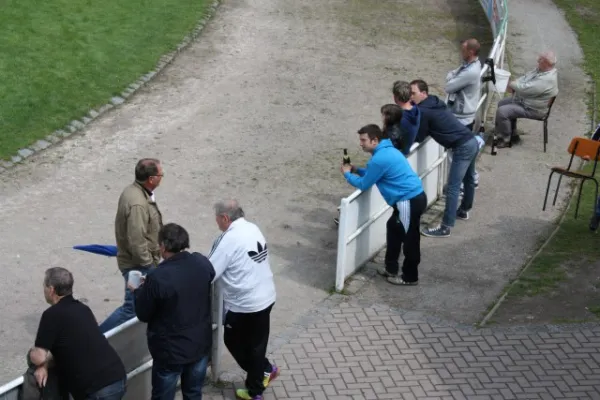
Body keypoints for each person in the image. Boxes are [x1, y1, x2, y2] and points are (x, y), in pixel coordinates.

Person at [132, 223, 215, 400]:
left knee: (163, 396)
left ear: (163, 246)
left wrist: (138, 291)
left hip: (170, 352)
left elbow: (143, 313)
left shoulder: (158, 277)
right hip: (199, 345)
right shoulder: (200, 262)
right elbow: (209, 274)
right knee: (193, 393)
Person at [208, 200, 279, 400]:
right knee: (256, 344)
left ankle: (257, 386)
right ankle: (262, 374)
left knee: (233, 340)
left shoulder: (228, 239)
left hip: (245, 304)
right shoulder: (252, 228)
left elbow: (210, 271)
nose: (216, 222)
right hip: (266, 296)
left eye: (216, 218)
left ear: (225, 218)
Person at [341, 124, 427, 285]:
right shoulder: (388, 151)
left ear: (374, 140)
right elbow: (376, 175)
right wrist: (357, 169)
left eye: (363, 140)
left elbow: (364, 184)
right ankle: (391, 268)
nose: (361, 143)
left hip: (407, 201)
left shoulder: (379, 159)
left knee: (410, 240)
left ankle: (410, 277)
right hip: (412, 198)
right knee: (394, 230)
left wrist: (347, 174)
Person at [29, 267, 127, 400]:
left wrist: (37, 360)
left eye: (44, 286)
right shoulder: (83, 309)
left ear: (51, 290)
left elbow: (38, 357)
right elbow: (71, 346)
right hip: (117, 378)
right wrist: (45, 364)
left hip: (97, 390)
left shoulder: (51, 315)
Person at [100, 158, 164, 333]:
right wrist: (149, 265)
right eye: (160, 174)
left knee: (138, 306)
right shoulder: (138, 203)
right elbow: (137, 241)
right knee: (131, 309)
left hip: (135, 261)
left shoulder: (135, 192)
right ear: (151, 178)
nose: (162, 177)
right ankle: (96, 339)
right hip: (137, 265)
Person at [410, 79, 478, 238]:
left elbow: (419, 136)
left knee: (453, 187)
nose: (411, 96)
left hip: (462, 147)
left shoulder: (423, 111)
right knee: (468, 179)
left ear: (423, 93)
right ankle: (464, 210)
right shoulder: (435, 101)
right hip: (471, 140)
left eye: (413, 93)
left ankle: (446, 227)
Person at [494, 50, 559, 148]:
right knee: (502, 103)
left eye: (540, 59)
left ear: (546, 63)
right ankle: (513, 134)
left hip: (534, 109)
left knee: (502, 111)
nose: (537, 60)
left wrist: (511, 84)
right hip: (526, 102)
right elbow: (524, 79)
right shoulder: (540, 70)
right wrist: (515, 84)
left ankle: (505, 139)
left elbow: (525, 89)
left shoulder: (547, 79)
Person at [445, 38, 483, 188]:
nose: (461, 52)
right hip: (465, 115)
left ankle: (459, 184)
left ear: (471, 52)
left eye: (464, 50)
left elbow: (449, 86)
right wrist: (452, 77)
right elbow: (451, 75)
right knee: (467, 151)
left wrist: (451, 78)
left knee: (455, 152)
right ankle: (472, 178)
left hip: (462, 117)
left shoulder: (470, 71)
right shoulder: (470, 65)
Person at [392, 80, 421, 153]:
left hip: (399, 154)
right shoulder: (416, 109)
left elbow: (393, 141)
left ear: (396, 97)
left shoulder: (399, 119)